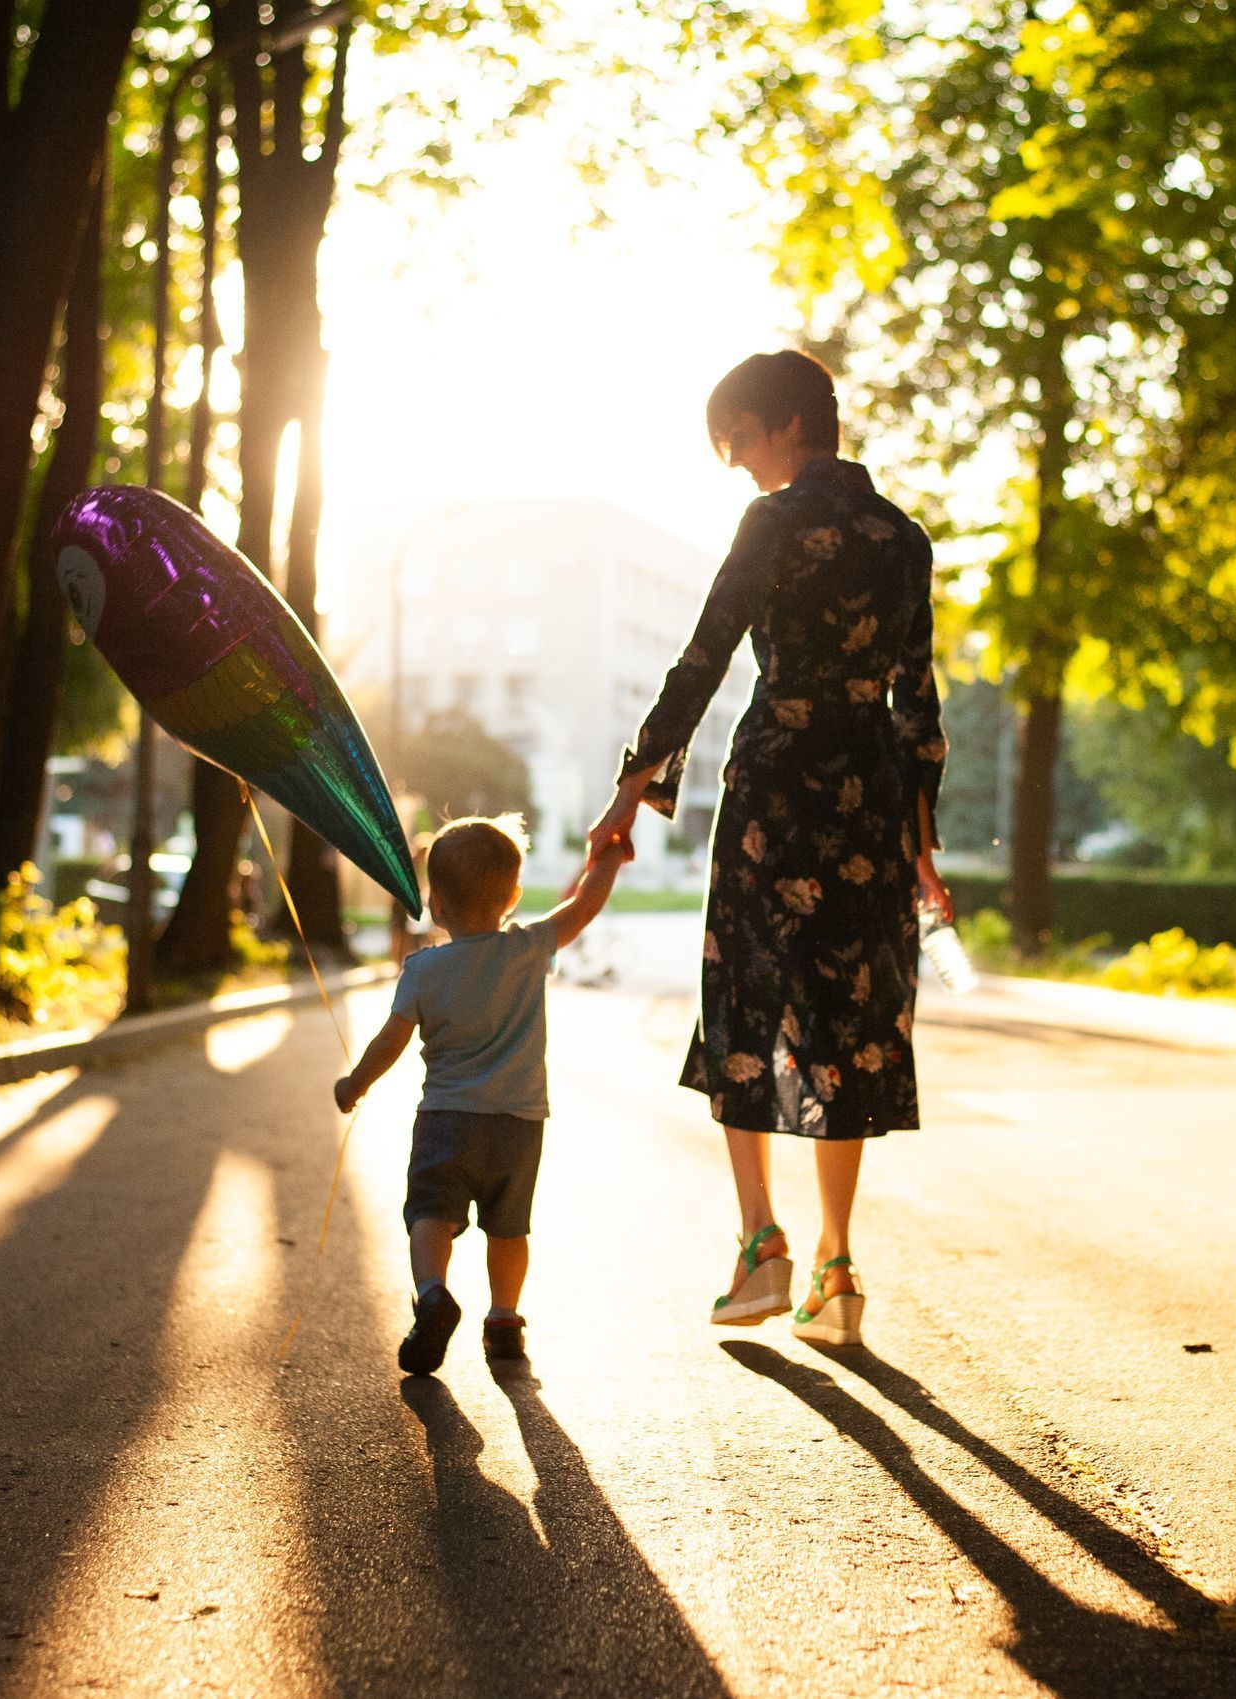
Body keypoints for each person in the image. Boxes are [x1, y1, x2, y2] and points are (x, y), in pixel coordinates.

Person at [590, 350, 948, 1347]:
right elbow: (917, 696)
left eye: (739, 439)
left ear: (790, 424)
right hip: (868, 794)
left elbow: (703, 656)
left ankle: (762, 1247)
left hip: (775, 786)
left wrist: (631, 790)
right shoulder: (903, 539)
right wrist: (923, 841)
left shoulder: (775, 522)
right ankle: (835, 1266)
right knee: (853, 1015)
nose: (738, 463)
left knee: (745, 995)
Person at [334, 815, 630, 1374]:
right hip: (518, 1126)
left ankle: (432, 1295)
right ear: (513, 897)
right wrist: (609, 858)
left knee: (429, 1213)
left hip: (446, 1119)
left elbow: (388, 1043)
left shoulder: (422, 970)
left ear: (435, 903)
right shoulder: (529, 948)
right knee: (509, 1228)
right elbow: (583, 908)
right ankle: (503, 1322)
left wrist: (355, 1084)